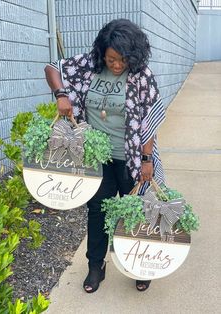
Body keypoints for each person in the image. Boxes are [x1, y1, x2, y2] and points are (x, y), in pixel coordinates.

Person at [44, 18, 165, 293]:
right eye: (112, 59)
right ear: (102, 53)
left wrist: (147, 160)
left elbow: (150, 120)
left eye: (123, 60)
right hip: (98, 156)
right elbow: (52, 67)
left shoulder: (141, 75)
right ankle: (96, 267)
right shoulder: (89, 65)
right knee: (98, 211)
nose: (117, 65)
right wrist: (60, 94)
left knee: (136, 211)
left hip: (132, 158)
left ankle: (139, 264)